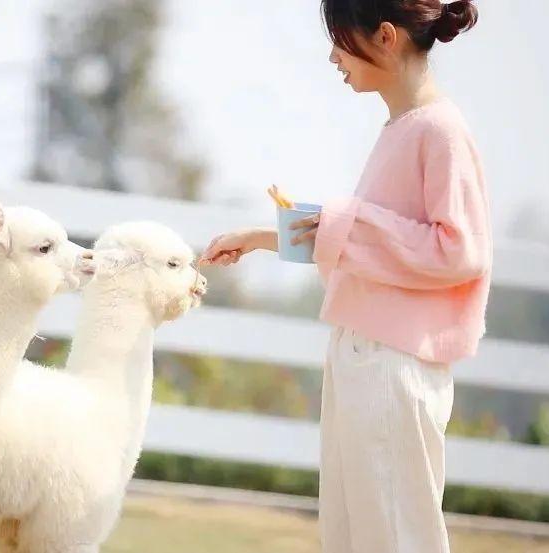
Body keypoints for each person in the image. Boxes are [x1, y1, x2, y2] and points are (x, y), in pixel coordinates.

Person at [200, 1, 490, 551]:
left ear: (384, 36)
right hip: (364, 358)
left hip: (393, 366)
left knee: (396, 537)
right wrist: (262, 237)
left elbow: (459, 250)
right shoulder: (404, 127)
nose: (333, 57)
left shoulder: (439, 129)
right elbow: (371, 246)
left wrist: (338, 221)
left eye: (340, 39)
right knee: (354, 536)